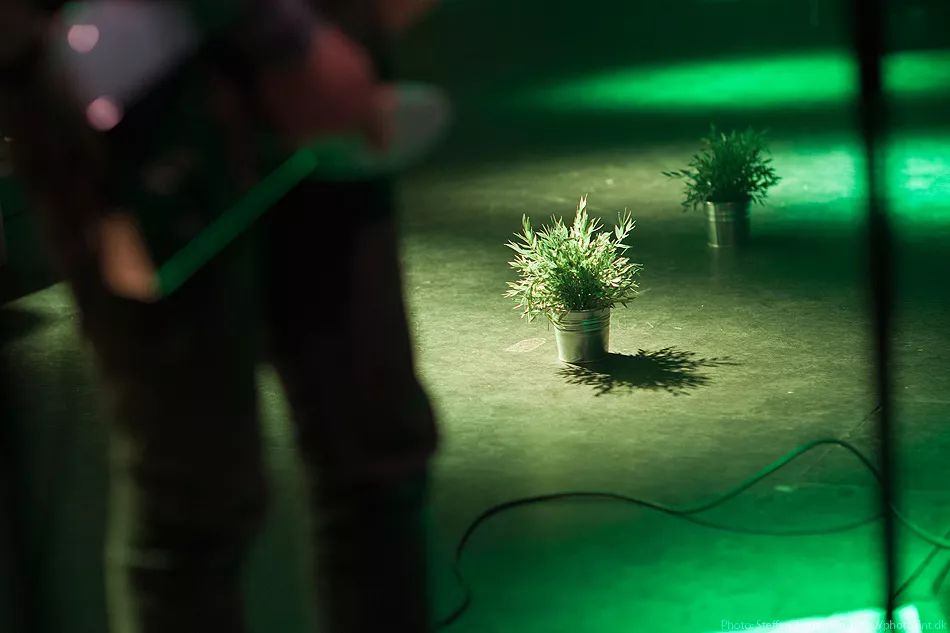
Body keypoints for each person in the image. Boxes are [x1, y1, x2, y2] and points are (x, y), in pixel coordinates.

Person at [0, 1, 441, 632]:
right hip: (128, 66)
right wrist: (283, 38)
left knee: (376, 450)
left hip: (297, 42)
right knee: (196, 493)